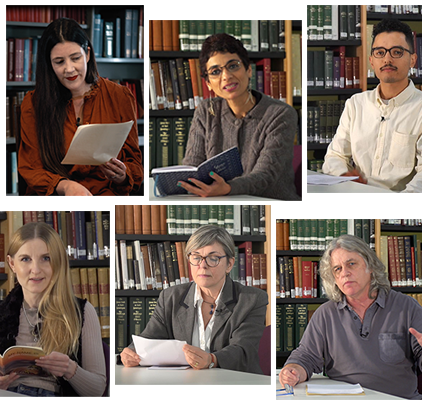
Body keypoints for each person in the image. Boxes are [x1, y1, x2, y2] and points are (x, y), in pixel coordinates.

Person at [279, 235, 422, 399]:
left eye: (351, 264)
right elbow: (305, 357)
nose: (345, 273)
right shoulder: (325, 314)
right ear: (334, 279)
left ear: (371, 267)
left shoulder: (407, 307)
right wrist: (293, 371)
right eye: (337, 269)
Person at [18, 18, 143, 196]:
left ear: (88, 54)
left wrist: (123, 175)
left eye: (75, 58)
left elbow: (135, 165)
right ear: (49, 65)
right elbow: (31, 169)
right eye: (59, 62)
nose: (69, 69)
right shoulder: (33, 103)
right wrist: (65, 186)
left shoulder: (120, 96)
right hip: (59, 199)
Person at [321, 18, 422, 193]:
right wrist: (345, 179)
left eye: (396, 52)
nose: (387, 59)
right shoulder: (356, 104)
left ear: (412, 59)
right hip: (356, 197)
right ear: (371, 61)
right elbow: (335, 156)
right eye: (380, 53)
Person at [120, 225, 268, 374]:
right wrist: (132, 353)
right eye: (196, 258)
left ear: (229, 264)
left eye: (213, 258)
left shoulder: (252, 299)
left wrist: (211, 360)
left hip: (236, 384)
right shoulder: (170, 297)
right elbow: (148, 340)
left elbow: (243, 351)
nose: (202, 266)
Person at [177, 33, 300, 200]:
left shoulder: (281, 114)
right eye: (215, 72)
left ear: (248, 70)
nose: (226, 76)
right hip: (218, 201)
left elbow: (265, 176)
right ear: (208, 83)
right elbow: (192, 167)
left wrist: (228, 188)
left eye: (233, 66)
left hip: (271, 203)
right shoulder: (206, 111)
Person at [0, 223, 106, 396]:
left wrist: (71, 370)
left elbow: (97, 391)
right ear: (12, 264)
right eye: (25, 259)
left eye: (46, 258)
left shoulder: (83, 312)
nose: (36, 270)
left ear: (58, 262)